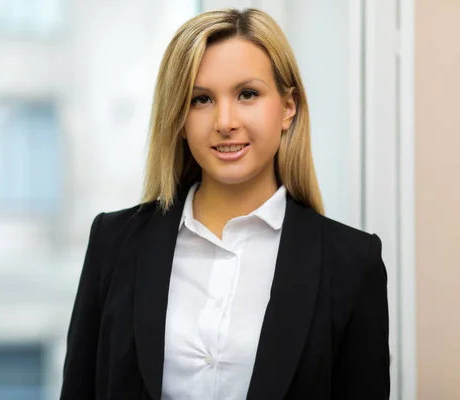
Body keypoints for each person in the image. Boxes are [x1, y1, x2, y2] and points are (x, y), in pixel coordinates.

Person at [60, 8, 389, 400]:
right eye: (201, 99)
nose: (225, 121)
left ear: (288, 107)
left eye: (247, 94)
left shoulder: (352, 263)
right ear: (179, 118)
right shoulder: (113, 243)